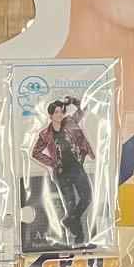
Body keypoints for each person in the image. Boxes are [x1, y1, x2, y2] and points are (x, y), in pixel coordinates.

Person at [31, 97, 96, 248]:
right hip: (62, 172)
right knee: (70, 205)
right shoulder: (45, 134)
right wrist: (52, 162)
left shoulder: (70, 122)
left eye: (62, 111)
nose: (60, 114)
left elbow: (82, 108)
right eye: (56, 112)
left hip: (77, 167)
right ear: (50, 114)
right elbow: (35, 152)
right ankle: (79, 236)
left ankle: (68, 221)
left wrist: (72, 100)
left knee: (87, 197)